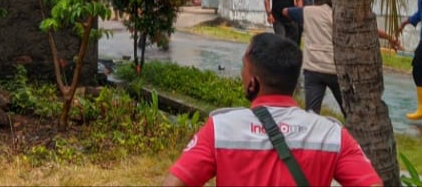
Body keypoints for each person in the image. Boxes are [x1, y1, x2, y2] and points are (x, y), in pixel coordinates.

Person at [163, 33, 382, 187]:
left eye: (243, 68)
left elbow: (175, 183)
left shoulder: (221, 129)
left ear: (253, 82)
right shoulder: (330, 134)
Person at [283, 0, 401, 114]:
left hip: (313, 68)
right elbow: (371, 30)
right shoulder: (343, 16)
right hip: (336, 69)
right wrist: (390, 38)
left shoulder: (307, 12)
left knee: (311, 113)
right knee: (348, 111)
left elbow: (286, 11)